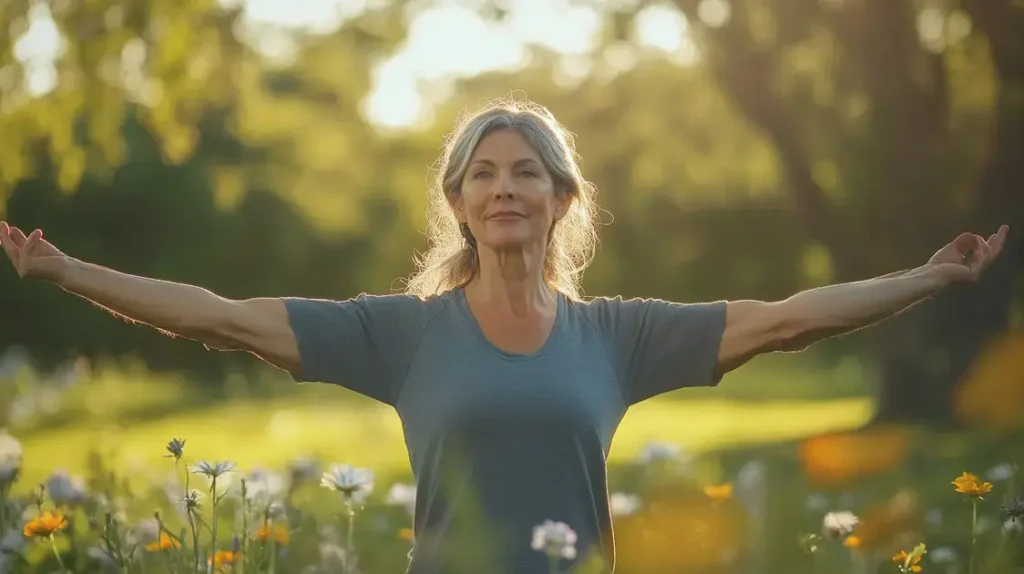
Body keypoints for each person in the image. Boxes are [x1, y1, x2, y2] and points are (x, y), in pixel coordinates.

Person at [0, 98, 1009, 574]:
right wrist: (63, 270)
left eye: (526, 169)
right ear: (457, 202)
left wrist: (932, 274)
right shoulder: (402, 334)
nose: (504, 187)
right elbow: (221, 315)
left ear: (562, 197)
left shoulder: (619, 336)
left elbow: (788, 319)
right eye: (482, 172)